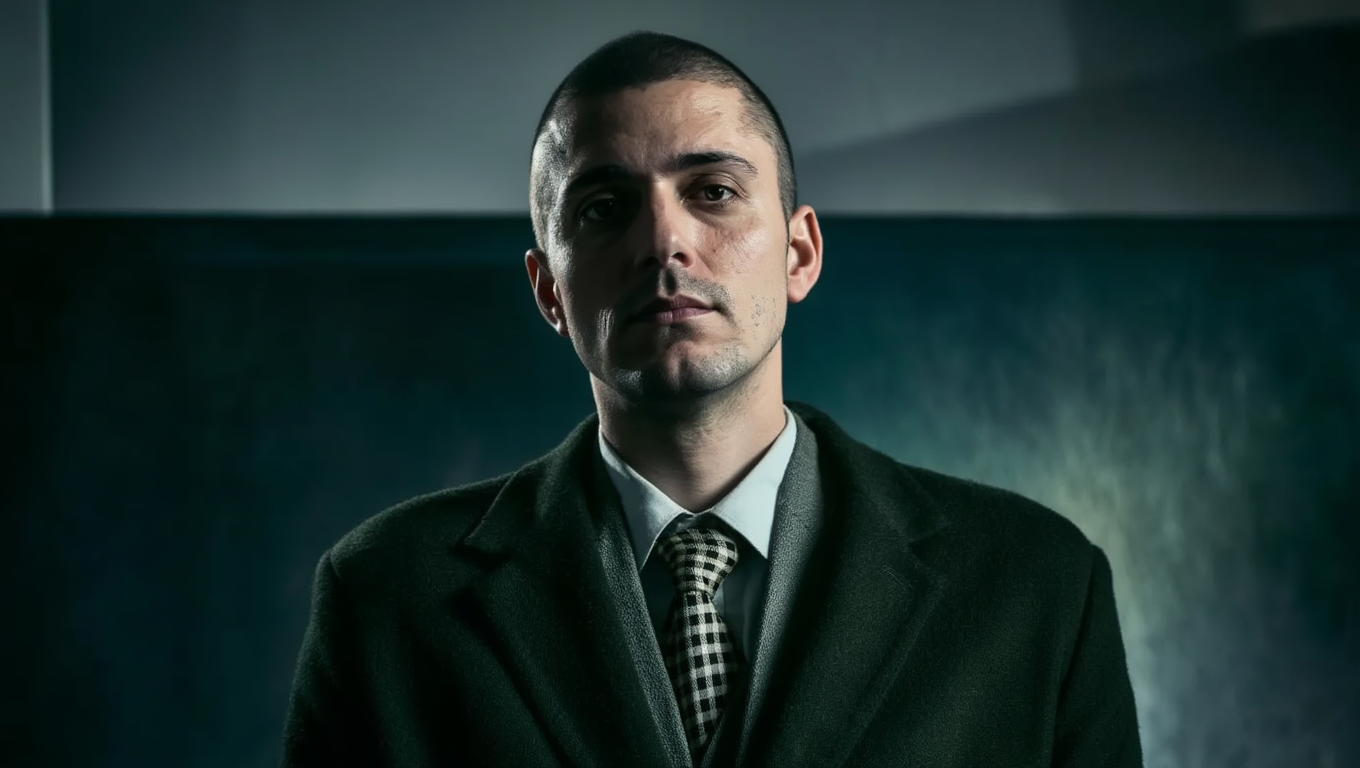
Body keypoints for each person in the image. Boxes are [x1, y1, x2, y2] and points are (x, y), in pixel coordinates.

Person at [280, 30, 1144, 768]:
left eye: (714, 192)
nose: (664, 240)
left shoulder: (1036, 585)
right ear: (549, 293)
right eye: (604, 207)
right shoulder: (387, 598)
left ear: (800, 254)